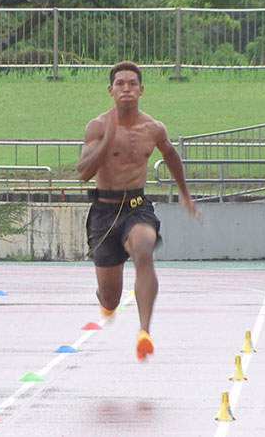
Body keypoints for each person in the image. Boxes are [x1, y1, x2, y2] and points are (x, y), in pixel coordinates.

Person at [77, 61, 203, 361]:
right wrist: (108, 139)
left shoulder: (153, 128)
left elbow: (171, 155)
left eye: (132, 84)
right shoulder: (96, 126)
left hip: (136, 206)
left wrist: (185, 195)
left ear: (141, 90)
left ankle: (144, 332)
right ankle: (106, 304)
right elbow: (83, 173)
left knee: (144, 248)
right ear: (111, 90)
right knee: (111, 296)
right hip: (104, 211)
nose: (126, 89)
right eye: (120, 84)